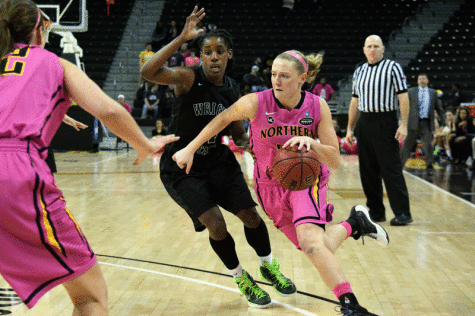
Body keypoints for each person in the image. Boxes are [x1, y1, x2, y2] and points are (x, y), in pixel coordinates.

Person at [173, 49, 389, 316]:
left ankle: (351, 305)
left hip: (306, 181)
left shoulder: (316, 106)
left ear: (302, 78)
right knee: (318, 247)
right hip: (269, 187)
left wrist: (312, 144)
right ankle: (355, 223)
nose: (276, 81)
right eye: (274, 74)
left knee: (312, 244)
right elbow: (222, 120)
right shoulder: (255, 102)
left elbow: (333, 159)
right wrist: (191, 147)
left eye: (284, 76)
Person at [0, 0, 179, 314]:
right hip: (14, 172)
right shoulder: (54, 62)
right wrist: (144, 145)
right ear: (39, 30)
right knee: (90, 297)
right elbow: (110, 110)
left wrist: (57, 115)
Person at [141, 7, 297, 308]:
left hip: (218, 161)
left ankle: (268, 265)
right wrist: (180, 39)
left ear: (229, 56)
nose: (213, 57)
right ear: (201, 56)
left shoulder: (232, 89)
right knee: (216, 224)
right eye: (207, 51)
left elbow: (238, 132)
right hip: (182, 167)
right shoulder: (187, 78)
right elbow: (148, 72)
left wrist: (251, 144)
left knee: (250, 216)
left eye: (219, 51)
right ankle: (241, 277)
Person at [345, 35, 412, 226]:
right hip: (365, 122)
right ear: (364, 50)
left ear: (383, 49)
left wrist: (403, 124)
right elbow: (355, 101)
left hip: (386, 121)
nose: (372, 49)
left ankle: (403, 213)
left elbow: (403, 98)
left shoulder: (393, 68)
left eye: (376, 46)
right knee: (367, 170)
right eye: (369, 46)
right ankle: (376, 212)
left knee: (390, 169)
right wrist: (350, 128)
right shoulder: (360, 71)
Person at [400, 73, 444, 169]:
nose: (421, 80)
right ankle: (399, 164)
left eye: (423, 79)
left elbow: (439, 108)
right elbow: (404, 106)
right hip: (413, 121)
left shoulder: (433, 92)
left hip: (426, 122)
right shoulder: (411, 91)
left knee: (428, 144)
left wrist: (444, 122)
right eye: (419, 79)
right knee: (407, 144)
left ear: (427, 81)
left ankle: (429, 164)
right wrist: (402, 120)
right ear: (417, 81)